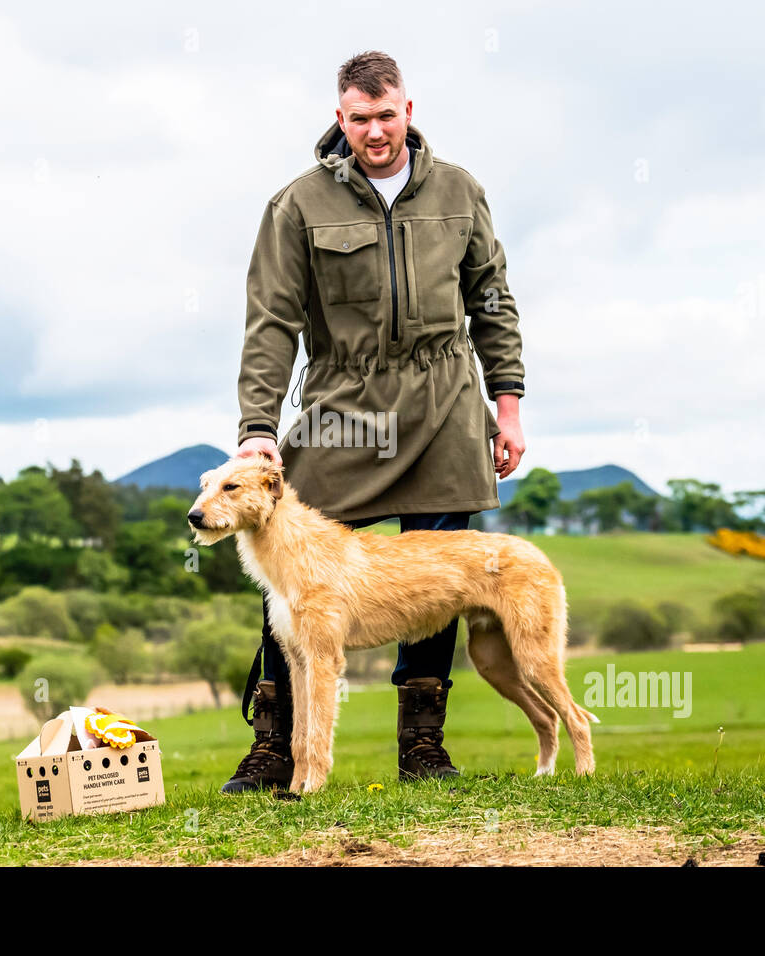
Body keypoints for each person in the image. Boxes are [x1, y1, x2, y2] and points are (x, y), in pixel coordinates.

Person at [224, 50, 527, 792]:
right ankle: (272, 744)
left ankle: (423, 745)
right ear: (340, 119)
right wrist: (258, 426)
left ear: (408, 112)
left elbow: (491, 299)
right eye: (360, 119)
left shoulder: (460, 192)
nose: (376, 132)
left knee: (438, 574)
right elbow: (271, 321)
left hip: (444, 400)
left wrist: (507, 404)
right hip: (342, 404)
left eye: (386, 115)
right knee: (292, 565)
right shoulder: (296, 204)